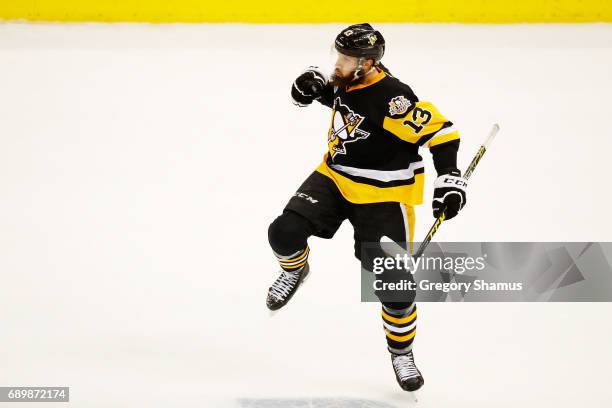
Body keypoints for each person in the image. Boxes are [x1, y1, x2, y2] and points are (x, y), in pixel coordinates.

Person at [266, 23, 467, 392]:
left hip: (384, 195)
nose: (336, 64)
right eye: (337, 56)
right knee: (284, 232)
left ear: (367, 63)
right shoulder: (350, 82)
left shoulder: (394, 98)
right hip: (335, 177)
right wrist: (311, 91)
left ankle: (401, 353)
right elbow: (344, 101)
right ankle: (296, 270)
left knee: (396, 288)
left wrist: (450, 178)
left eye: (344, 59)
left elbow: (441, 133)